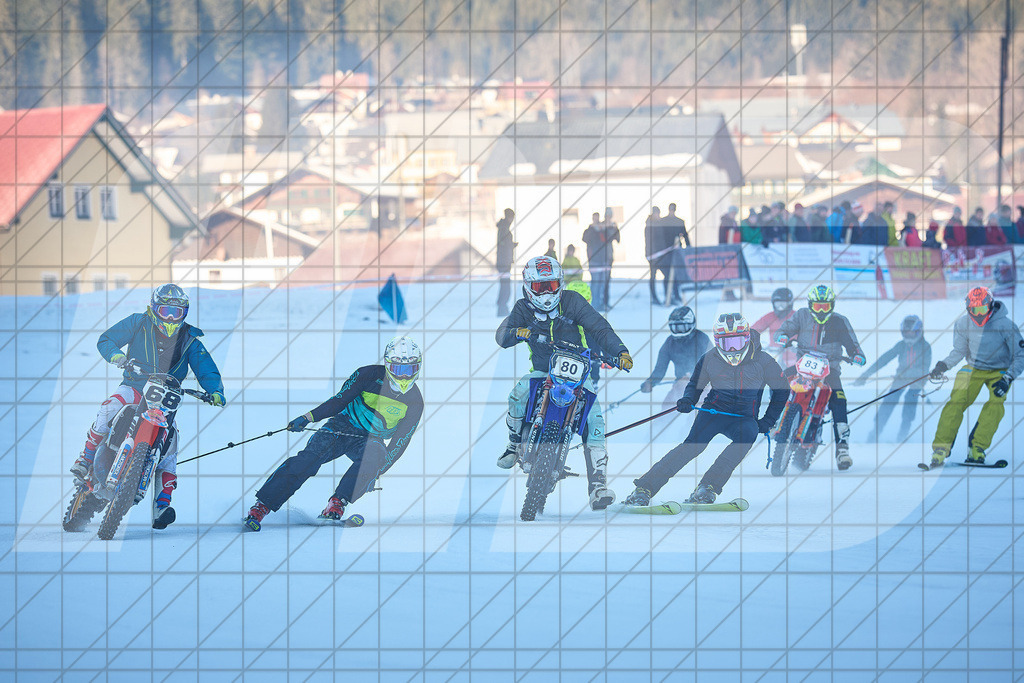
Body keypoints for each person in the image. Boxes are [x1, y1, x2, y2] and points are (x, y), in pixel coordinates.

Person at [70, 284, 226, 529]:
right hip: (135, 385)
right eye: (166, 310)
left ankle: (162, 504)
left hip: (167, 395)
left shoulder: (190, 339)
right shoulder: (138, 322)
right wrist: (118, 357)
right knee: (110, 407)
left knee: (171, 442)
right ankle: (86, 456)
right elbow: (107, 339)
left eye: (177, 312)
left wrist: (215, 390)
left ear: (185, 313)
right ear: (154, 309)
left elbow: (206, 367)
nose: (171, 317)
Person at [244, 336, 424, 530]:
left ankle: (337, 503)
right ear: (388, 365)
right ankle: (262, 506)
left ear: (417, 368)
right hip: (342, 426)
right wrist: (308, 417)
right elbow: (339, 401)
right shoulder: (368, 374)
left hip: (371, 439)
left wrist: (377, 472)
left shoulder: (415, 401)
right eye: (399, 369)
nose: (404, 376)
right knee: (309, 460)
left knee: (376, 456)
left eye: (409, 370)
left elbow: (399, 443)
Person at [495, 255, 632, 510]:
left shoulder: (573, 301)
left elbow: (599, 328)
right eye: (539, 287)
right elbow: (501, 336)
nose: (547, 292)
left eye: (551, 285)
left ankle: (598, 486)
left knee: (596, 420)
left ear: (560, 283)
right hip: (542, 372)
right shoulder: (522, 308)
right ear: (528, 287)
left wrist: (620, 351)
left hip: (578, 373)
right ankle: (513, 445)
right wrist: (518, 332)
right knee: (516, 395)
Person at [623, 313, 787, 506]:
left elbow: (782, 390)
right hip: (713, 413)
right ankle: (644, 489)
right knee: (691, 448)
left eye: (737, 341)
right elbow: (695, 384)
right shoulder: (710, 358)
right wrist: (687, 399)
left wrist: (768, 420)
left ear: (747, 338)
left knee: (746, 437)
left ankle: (707, 487)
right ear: (717, 342)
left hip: (744, 418)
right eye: (726, 343)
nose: (732, 348)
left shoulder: (763, 361)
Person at [927, 287, 1024, 467]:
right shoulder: (963, 324)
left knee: (996, 403)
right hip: (973, 368)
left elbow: (1020, 355)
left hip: (1000, 371)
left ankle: (977, 447)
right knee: (956, 402)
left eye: (982, 310)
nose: (978, 315)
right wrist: (943, 365)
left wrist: (1008, 378)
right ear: (968, 309)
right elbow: (959, 351)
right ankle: (941, 448)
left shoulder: (1005, 326)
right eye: (974, 310)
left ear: (991, 306)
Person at [775, 285, 866, 470]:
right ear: (810, 305)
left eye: (825, 306)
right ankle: (774, 419)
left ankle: (842, 450)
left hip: (829, 368)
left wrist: (857, 355)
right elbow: (784, 329)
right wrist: (782, 337)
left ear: (832, 305)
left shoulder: (840, 321)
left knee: (839, 400)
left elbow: (852, 344)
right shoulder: (801, 315)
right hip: (803, 365)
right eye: (818, 307)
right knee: (779, 380)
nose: (822, 311)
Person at [854, 315, 931, 442]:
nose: (909, 336)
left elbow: (925, 369)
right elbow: (884, 359)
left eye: (912, 333)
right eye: (906, 333)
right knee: (888, 401)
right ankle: (874, 434)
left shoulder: (926, 347)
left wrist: (908, 374)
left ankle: (902, 436)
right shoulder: (901, 345)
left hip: (917, 381)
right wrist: (865, 375)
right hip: (900, 378)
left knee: (909, 403)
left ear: (919, 332)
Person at [640, 306, 712, 409]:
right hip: (680, 385)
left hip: (703, 386)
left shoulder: (702, 339)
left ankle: (693, 423)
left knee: (698, 411)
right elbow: (660, 369)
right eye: (675, 327)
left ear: (691, 325)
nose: (678, 331)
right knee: (666, 408)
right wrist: (650, 382)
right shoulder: (669, 343)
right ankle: (661, 425)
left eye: (682, 327)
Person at [751, 287, 798, 367]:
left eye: (783, 304)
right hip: (774, 355)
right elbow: (755, 329)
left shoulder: (797, 317)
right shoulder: (771, 316)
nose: (780, 307)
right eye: (778, 304)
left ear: (790, 303)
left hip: (795, 357)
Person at [582, 212, 612, 311]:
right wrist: (593, 229)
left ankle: (601, 304)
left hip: (602, 261)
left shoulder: (602, 231)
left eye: (597, 218)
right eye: (594, 218)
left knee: (602, 284)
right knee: (595, 284)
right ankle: (594, 305)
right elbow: (585, 238)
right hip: (594, 261)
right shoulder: (589, 230)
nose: (596, 220)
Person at [645, 207, 670, 305]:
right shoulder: (650, 225)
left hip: (661, 254)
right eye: (657, 214)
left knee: (666, 275)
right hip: (654, 256)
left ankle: (667, 296)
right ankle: (654, 297)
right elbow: (649, 241)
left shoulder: (659, 223)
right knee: (653, 276)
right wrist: (651, 255)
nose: (658, 215)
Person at [495, 208, 516, 316]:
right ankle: (502, 309)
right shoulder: (503, 228)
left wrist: (512, 245)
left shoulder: (504, 228)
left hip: (504, 262)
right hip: (503, 262)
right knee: (505, 287)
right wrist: (510, 245)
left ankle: (502, 308)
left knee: (505, 286)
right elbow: (503, 245)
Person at [601, 207, 620, 308]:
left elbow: (617, 239)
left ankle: (606, 302)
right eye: (607, 215)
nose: (608, 217)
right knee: (601, 281)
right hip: (601, 257)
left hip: (609, 256)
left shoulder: (613, 226)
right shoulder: (601, 226)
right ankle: (602, 302)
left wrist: (615, 229)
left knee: (607, 281)